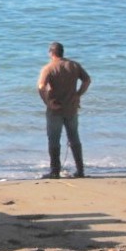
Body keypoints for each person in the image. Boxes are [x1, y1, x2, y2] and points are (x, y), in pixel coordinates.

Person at [37, 42, 92, 179]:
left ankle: (55, 171)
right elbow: (87, 80)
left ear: (51, 53)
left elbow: (41, 86)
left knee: (54, 139)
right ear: (62, 52)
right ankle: (80, 170)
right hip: (71, 108)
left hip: (55, 108)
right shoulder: (73, 65)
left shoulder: (49, 68)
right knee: (74, 138)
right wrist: (78, 94)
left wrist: (48, 103)